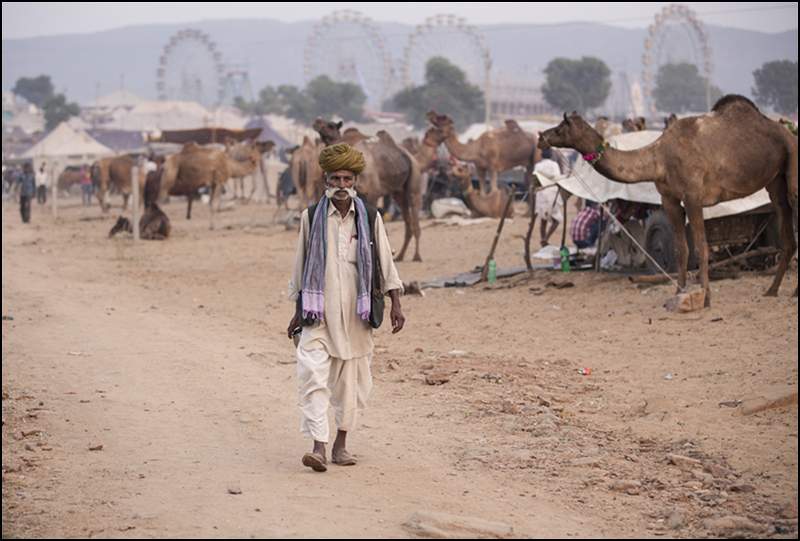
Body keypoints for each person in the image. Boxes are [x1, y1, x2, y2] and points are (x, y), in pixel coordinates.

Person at [287, 143, 405, 473]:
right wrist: (298, 310)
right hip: (318, 311)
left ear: (355, 182)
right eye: (336, 178)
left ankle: (341, 444)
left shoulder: (369, 216)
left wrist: (396, 302)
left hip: (358, 312)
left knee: (352, 383)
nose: (341, 185)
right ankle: (318, 447)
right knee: (312, 375)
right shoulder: (311, 217)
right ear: (326, 180)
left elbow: (385, 259)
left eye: (347, 179)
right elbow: (300, 265)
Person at [532, 159, 564, 247]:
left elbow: (535, 180)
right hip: (551, 193)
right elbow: (558, 177)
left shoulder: (538, 165)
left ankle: (543, 240)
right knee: (557, 220)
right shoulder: (554, 165)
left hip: (541, 194)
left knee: (543, 219)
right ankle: (545, 238)